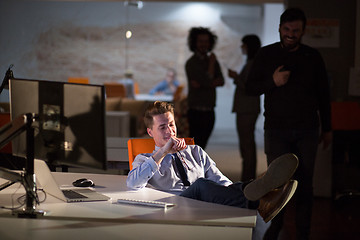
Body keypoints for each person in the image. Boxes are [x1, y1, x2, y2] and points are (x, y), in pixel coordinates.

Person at [127, 101, 299, 223]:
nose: (170, 131)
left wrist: (235, 190)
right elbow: (133, 183)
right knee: (201, 185)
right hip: (175, 206)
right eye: (162, 127)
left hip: (206, 203)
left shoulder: (195, 151)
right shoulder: (144, 159)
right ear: (150, 132)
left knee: (216, 185)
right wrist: (163, 152)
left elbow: (219, 180)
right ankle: (262, 202)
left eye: (171, 125)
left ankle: (258, 192)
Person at [246, 8, 332, 240]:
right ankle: (276, 225)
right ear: (280, 29)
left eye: (296, 30)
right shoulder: (266, 55)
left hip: (307, 130)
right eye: (287, 29)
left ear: (303, 31)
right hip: (276, 129)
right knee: (277, 183)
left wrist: (328, 128)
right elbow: (249, 88)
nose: (291, 34)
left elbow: (324, 94)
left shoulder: (312, 57)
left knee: (305, 183)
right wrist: (272, 81)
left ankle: (303, 232)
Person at [228, 34, 261, 182]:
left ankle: (248, 178)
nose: (242, 48)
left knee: (246, 144)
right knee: (247, 143)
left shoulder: (253, 63)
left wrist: (235, 77)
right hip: (247, 108)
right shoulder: (252, 63)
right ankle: (248, 177)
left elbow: (248, 87)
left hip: (247, 108)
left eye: (243, 45)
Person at [185, 27, 224, 150]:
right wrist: (211, 67)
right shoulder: (191, 62)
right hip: (195, 110)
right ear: (195, 43)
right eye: (201, 41)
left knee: (202, 146)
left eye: (206, 41)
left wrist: (204, 83)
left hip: (209, 109)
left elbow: (221, 81)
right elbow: (206, 81)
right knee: (194, 147)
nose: (204, 44)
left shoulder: (212, 60)